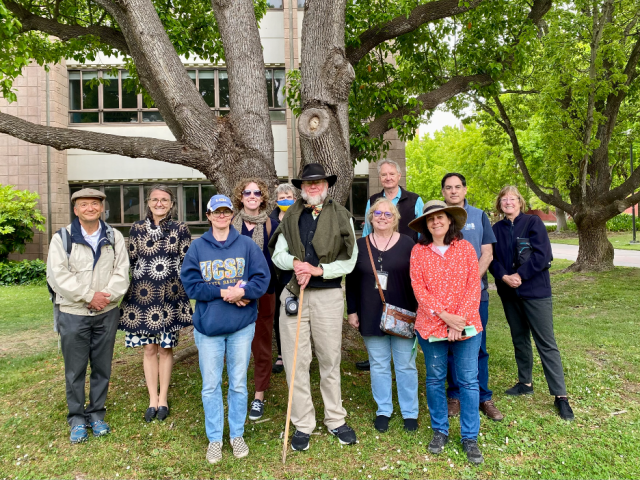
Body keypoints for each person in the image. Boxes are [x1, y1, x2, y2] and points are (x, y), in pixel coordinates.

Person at [269, 163, 359, 452]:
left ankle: (335, 419)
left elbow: (350, 260)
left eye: (318, 182)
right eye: (308, 184)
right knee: (296, 362)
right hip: (294, 294)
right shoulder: (291, 215)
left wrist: (318, 270)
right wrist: (297, 265)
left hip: (328, 297)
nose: (313, 187)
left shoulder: (341, 215)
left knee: (330, 360)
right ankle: (303, 423)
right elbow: (278, 254)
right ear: (302, 188)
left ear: (326, 185)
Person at [180, 195, 270, 464]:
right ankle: (215, 438)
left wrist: (242, 292)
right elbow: (192, 285)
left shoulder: (246, 245)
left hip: (241, 327)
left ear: (233, 214)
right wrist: (225, 292)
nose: (221, 216)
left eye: (226, 211)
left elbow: (261, 279)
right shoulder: (198, 248)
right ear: (208, 215)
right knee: (210, 385)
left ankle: (237, 434)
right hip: (208, 329)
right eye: (216, 212)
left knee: (239, 383)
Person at [46, 188, 130, 444]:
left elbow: (122, 272)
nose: (90, 208)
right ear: (76, 209)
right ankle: (77, 418)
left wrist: (104, 296)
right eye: (84, 204)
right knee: (75, 369)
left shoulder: (114, 237)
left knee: (102, 367)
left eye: (95, 204)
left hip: (106, 312)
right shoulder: (62, 238)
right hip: (73, 313)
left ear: (102, 208)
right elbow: (57, 276)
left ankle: (96, 413)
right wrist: (88, 296)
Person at [408, 200, 484, 465]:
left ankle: (469, 436)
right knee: (435, 378)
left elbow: (473, 286)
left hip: (466, 324)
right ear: (426, 225)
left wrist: (457, 323)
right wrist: (444, 317)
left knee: (468, 381)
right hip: (431, 325)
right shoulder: (418, 251)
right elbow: (419, 289)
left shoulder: (465, 248)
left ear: (450, 220)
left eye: (440, 217)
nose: (436, 222)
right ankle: (440, 430)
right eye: (430, 219)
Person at [489, 186, 574, 421]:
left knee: (546, 343)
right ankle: (525, 382)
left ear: (520, 202)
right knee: (519, 338)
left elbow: (542, 255)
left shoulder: (533, 223)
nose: (508, 202)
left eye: (512, 199)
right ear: (499, 204)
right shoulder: (495, 229)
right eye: (504, 199)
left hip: (535, 292)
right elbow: (491, 259)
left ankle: (561, 397)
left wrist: (520, 275)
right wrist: (504, 276)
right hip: (509, 293)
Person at [118, 185, 192, 423]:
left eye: (165, 200)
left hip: (170, 296)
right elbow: (131, 260)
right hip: (143, 297)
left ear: (171, 204)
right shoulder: (137, 228)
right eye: (155, 199)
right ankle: (152, 399)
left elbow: (186, 261)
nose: (159, 203)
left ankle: (163, 398)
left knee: (165, 348)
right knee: (149, 349)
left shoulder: (180, 228)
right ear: (148, 202)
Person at [345, 197, 419, 433]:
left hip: (403, 313)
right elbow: (352, 281)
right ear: (371, 218)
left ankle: (410, 412)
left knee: (406, 365)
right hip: (370, 312)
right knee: (378, 365)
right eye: (378, 214)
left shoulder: (408, 244)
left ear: (395, 218)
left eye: (388, 214)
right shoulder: (360, 245)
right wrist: (352, 311)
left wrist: (420, 311)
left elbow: (417, 280)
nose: (383, 218)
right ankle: (384, 410)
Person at [440, 173, 503, 421]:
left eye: (458, 187)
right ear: (443, 192)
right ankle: (454, 395)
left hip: (477, 294)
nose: (453, 191)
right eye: (448, 188)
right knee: (451, 348)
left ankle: (483, 397)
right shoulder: (437, 217)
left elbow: (487, 253)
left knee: (478, 347)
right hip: (445, 300)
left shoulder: (479, 216)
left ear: (465, 190)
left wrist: (468, 284)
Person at [358, 159, 424, 371]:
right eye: (384, 175)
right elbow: (368, 233)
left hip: (404, 263)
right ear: (380, 178)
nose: (388, 178)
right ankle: (378, 353)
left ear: (399, 176)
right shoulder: (373, 200)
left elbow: (422, 234)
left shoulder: (414, 200)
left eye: (391, 174)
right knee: (376, 301)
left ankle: (401, 352)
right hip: (378, 264)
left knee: (402, 302)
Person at [231, 178, 279, 421]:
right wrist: (236, 291)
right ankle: (236, 391)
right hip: (233, 295)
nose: (252, 195)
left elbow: (273, 262)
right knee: (234, 346)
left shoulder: (271, 224)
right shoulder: (229, 223)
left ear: (263, 197)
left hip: (263, 293)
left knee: (261, 344)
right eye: (247, 192)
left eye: (257, 192)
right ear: (241, 196)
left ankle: (259, 395)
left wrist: (254, 290)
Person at [268, 183, 297, 374]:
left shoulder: (301, 216)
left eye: (288, 195)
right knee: (279, 315)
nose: (285, 198)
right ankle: (281, 354)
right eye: (281, 196)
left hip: (294, 273)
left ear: (295, 197)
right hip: (274, 274)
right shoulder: (269, 220)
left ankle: (298, 355)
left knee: (296, 314)